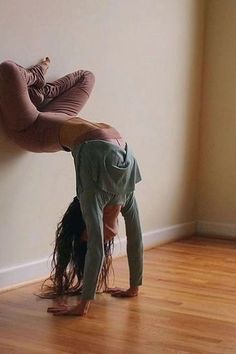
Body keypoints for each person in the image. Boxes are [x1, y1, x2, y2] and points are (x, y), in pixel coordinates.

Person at [0, 58, 143, 316]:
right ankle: (38, 92)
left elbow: (97, 248)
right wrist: (134, 287)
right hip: (61, 117)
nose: (107, 236)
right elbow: (136, 237)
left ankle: (35, 78)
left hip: (32, 129)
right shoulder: (125, 192)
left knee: (8, 70)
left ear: (85, 229)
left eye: (91, 235)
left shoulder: (92, 193)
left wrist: (82, 305)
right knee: (87, 76)